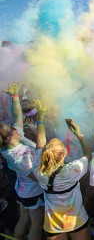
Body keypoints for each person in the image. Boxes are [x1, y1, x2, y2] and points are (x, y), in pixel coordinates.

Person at [33, 109, 92, 240]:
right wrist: (79, 134)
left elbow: (39, 143)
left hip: (53, 224)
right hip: (76, 219)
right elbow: (87, 154)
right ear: (64, 154)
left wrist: (40, 119)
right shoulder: (72, 170)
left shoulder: (39, 170)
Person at [0, 83, 44, 240]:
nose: (16, 128)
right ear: (11, 138)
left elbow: (18, 115)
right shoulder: (18, 157)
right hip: (32, 192)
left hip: (22, 190)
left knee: (24, 219)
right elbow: (36, 177)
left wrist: (15, 96)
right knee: (36, 224)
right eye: (12, 129)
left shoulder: (11, 143)